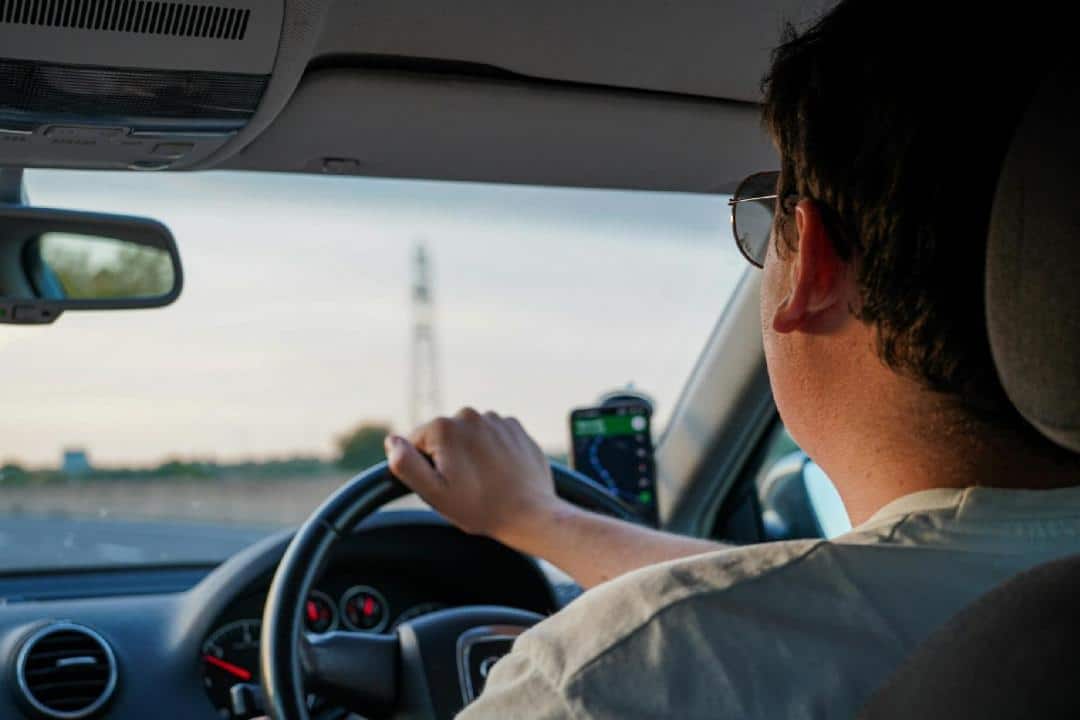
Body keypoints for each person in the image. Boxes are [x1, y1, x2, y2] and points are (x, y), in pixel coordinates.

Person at [382, 2, 1080, 718]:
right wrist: (537, 518)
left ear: (811, 266)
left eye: (768, 210)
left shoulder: (614, 677)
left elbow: (778, 613)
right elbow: (822, 599)